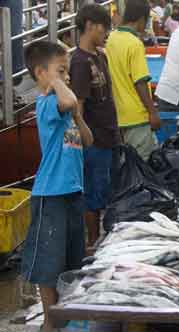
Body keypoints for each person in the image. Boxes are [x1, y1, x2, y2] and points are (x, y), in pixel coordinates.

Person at [21, 41, 93, 332]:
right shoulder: (47, 103)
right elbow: (67, 100)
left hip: (72, 193)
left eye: (67, 73)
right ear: (41, 73)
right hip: (50, 194)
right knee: (48, 264)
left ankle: (63, 318)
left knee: (70, 260)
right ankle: (50, 322)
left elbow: (87, 140)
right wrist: (59, 88)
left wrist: (76, 115)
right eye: (60, 71)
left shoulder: (67, 109)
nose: (66, 78)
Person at [70, 4, 120, 250]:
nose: (107, 32)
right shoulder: (79, 62)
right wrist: (80, 141)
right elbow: (77, 106)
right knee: (93, 194)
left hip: (108, 136)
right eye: (104, 27)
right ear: (90, 25)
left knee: (103, 192)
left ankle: (97, 240)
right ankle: (92, 245)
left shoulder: (100, 55)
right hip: (93, 141)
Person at [106, 0, 160, 161]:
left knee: (125, 170)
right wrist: (152, 112)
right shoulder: (135, 43)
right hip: (137, 117)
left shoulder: (111, 38)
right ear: (141, 19)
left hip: (118, 116)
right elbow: (140, 82)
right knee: (142, 168)